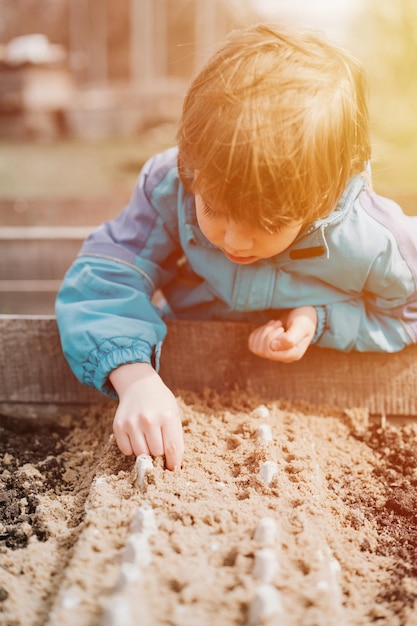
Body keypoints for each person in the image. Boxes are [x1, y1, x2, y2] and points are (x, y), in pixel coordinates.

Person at [55, 22, 417, 471]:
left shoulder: (372, 239)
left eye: (268, 223)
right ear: (192, 162)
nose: (234, 239)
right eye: (214, 209)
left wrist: (319, 319)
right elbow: (104, 278)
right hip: (189, 375)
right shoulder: (173, 189)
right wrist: (136, 378)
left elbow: (407, 311)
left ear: (322, 198)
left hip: (306, 398)